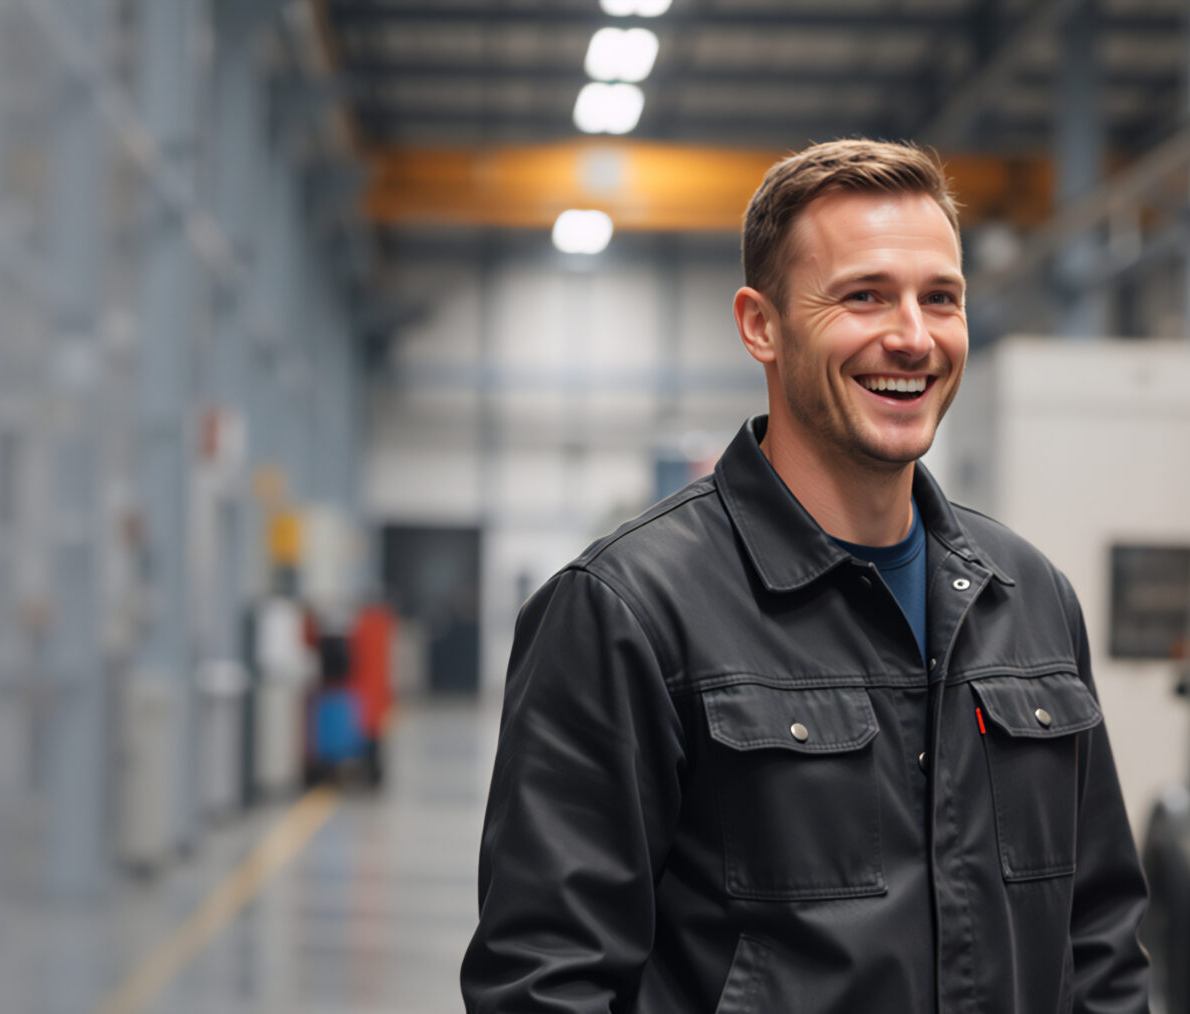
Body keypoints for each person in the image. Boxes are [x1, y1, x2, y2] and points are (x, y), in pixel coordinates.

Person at [459, 139, 1149, 1013]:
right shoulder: (628, 611)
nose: (912, 337)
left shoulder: (1030, 597)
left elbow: (1101, 943)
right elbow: (546, 981)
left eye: (941, 299)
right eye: (864, 296)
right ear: (761, 325)